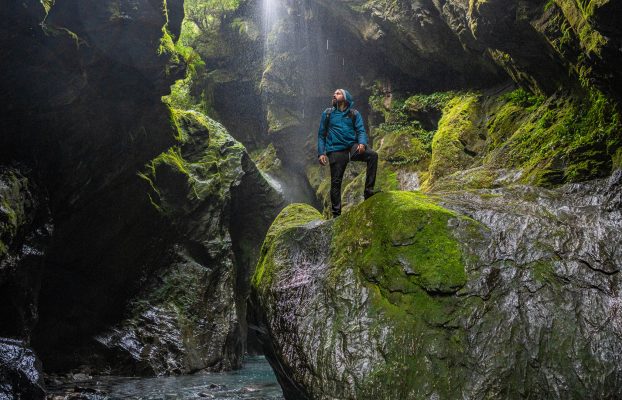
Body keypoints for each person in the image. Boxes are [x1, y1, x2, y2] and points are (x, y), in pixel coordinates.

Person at [317, 88, 379, 218]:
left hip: (352, 147)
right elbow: (321, 135)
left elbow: (361, 130)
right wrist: (321, 153)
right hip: (336, 150)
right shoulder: (328, 113)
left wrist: (362, 143)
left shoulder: (354, 114)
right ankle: (336, 215)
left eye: (338, 93)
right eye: (334, 93)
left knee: (373, 155)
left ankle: (368, 191)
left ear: (346, 97)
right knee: (336, 182)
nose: (334, 94)